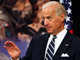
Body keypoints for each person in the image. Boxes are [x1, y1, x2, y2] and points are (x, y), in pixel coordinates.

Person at [4, 1, 80, 60]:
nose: (45, 23)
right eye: (44, 19)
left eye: (49, 18)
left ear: (61, 17)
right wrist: (16, 58)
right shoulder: (36, 42)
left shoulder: (77, 43)